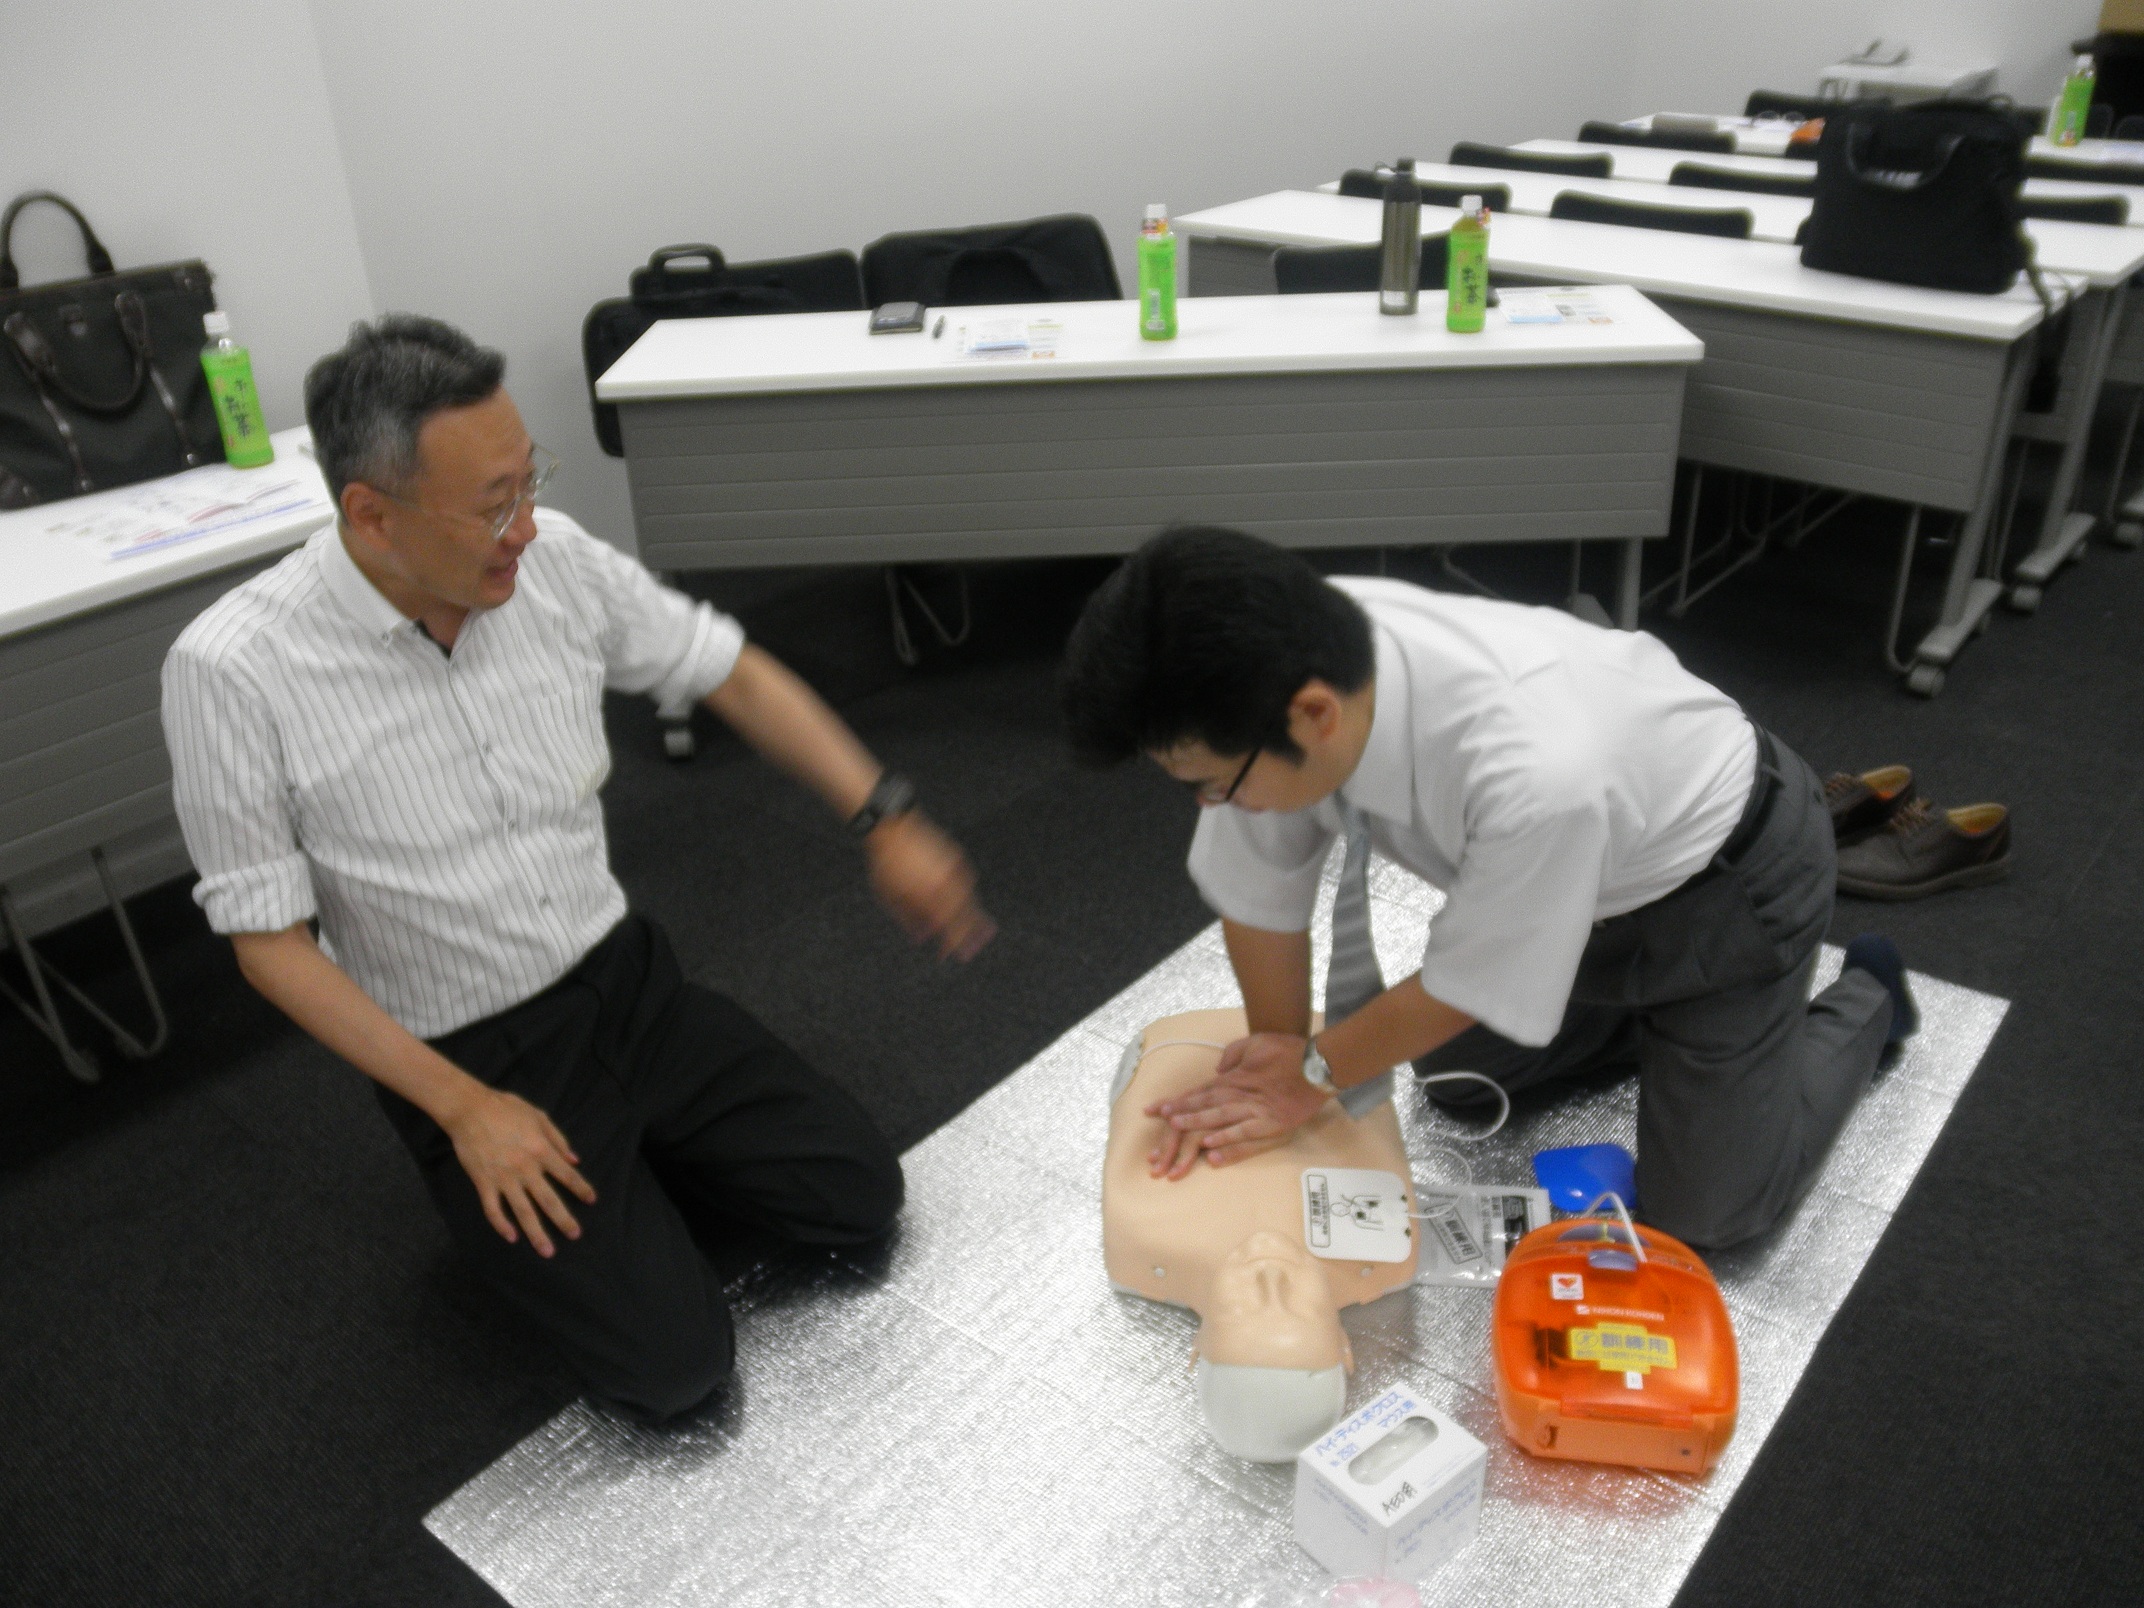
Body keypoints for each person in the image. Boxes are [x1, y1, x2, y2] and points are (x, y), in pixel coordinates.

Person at [161, 314, 993, 1423]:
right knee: (675, 1370)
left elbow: (732, 672)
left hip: (628, 983)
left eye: (529, 480)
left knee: (858, 1198)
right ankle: (540, 1181)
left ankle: (634, 1165)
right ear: (372, 514)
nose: (524, 525)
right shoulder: (233, 669)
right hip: (470, 1051)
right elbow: (268, 945)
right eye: (490, 505)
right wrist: (464, 1110)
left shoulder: (552, 560)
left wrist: (884, 817)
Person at [1058, 526, 1917, 1251]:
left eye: (1214, 785)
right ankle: (1670, 1033)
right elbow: (1258, 892)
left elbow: (1464, 984)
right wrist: (1279, 1058)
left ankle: (1867, 1000)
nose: (1211, 805)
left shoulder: (1537, 768)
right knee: (1454, 1077)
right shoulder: (1279, 672)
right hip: (1585, 899)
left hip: (1731, 890)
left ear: (1314, 716)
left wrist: (1312, 1074)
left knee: (1709, 1218)